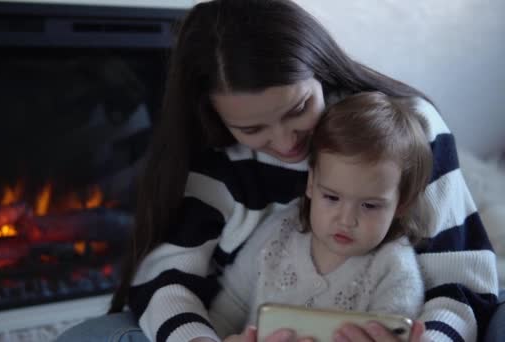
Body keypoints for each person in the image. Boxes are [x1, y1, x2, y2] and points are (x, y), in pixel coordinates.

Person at [56, 0, 499, 341]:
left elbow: (464, 280)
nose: (288, 142)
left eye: (299, 108)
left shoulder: (410, 128)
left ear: (319, 70)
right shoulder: (219, 156)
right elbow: (166, 278)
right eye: (253, 128)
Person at [214, 92, 430, 340]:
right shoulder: (280, 231)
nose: (346, 220)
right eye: (331, 198)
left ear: (401, 205)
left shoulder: (394, 270)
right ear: (311, 184)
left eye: (370, 206)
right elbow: (227, 308)